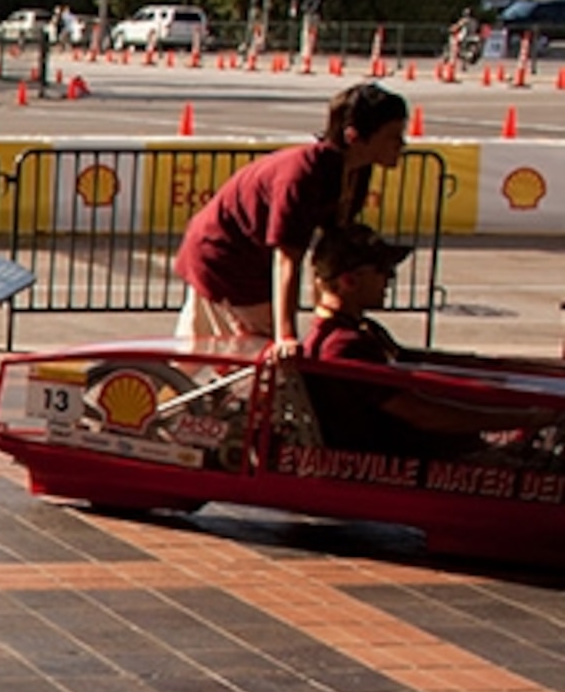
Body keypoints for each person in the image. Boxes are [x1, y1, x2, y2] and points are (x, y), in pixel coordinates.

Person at [171, 81, 409, 352]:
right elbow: (287, 258)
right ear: (354, 136)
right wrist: (286, 336)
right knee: (267, 364)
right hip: (226, 258)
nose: (402, 144)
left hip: (233, 258)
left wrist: (329, 321)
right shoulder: (304, 175)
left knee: (190, 356)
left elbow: (330, 252)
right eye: (392, 136)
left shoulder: (355, 171)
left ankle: (154, 389)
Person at [299, 224, 509, 454]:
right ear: (349, 280)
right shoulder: (343, 345)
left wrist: (492, 372)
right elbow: (423, 414)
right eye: (383, 269)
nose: (390, 278)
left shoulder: (361, 330)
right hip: (396, 462)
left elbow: (418, 365)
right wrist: (517, 418)